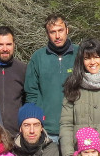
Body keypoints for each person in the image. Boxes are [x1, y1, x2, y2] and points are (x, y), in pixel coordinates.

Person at [24, 13, 76, 143]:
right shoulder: (38, 57)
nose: (57, 36)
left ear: (67, 30)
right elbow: (31, 94)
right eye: (53, 32)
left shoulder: (80, 54)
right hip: (47, 130)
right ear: (47, 34)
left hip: (74, 128)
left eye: (60, 31)